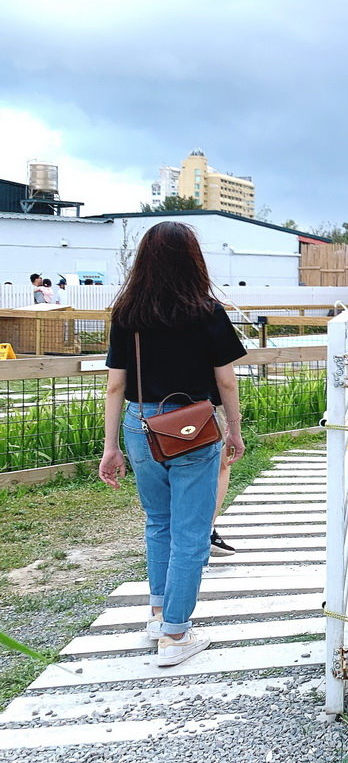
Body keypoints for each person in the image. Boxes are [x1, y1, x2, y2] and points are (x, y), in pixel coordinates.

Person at [97, 221, 247, 667]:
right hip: (192, 427)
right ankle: (176, 635)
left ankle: (159, 613)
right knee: (191, 532)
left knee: (158, 523)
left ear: (144, 261)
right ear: (193, 260)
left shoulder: (127, 314)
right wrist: (234, 430)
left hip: (140, 426)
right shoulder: (207, 312)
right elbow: (226, 381)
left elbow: (114, 387)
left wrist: (110, 448)